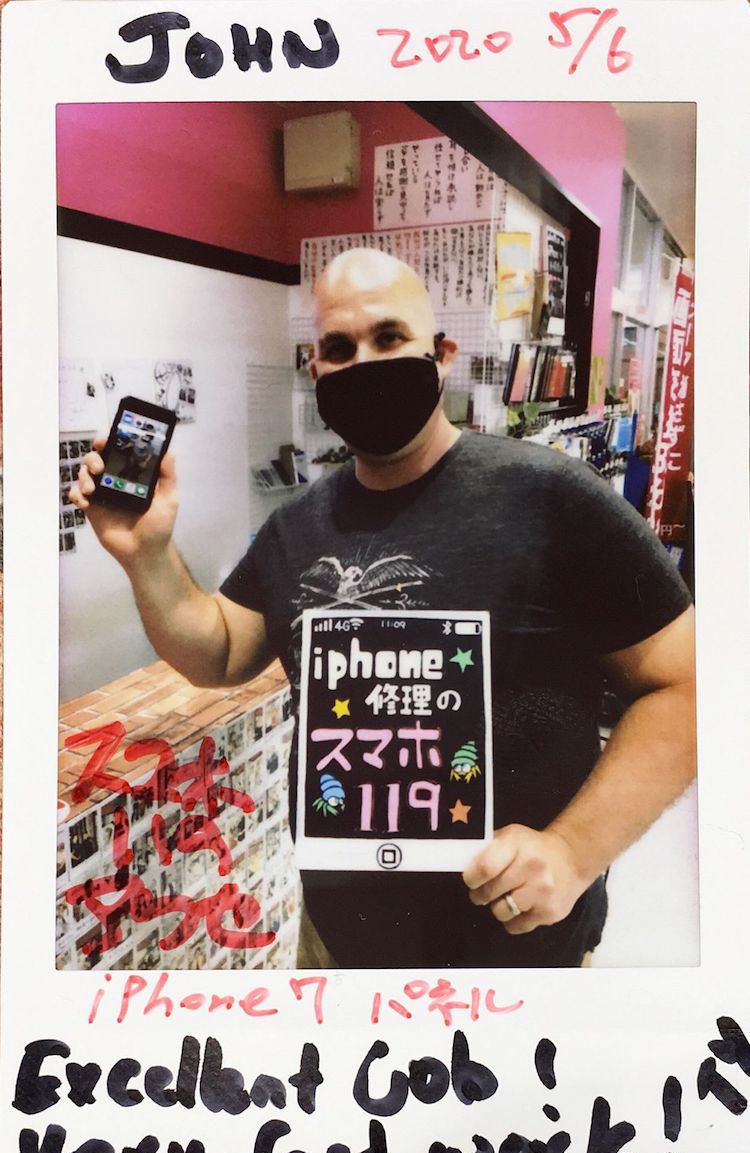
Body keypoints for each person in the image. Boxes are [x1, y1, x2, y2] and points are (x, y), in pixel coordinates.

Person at [71, 249, 696, 969]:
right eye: (339, 348)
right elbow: (218, 651)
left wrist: (574, 852)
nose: (364, 363)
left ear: (441, 355)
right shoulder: (297, 525)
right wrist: (145, 554)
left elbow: (686, 683)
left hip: (520, 958)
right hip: (339, 946)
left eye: (389, 337)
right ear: (316, 371)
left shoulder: (553, 498)